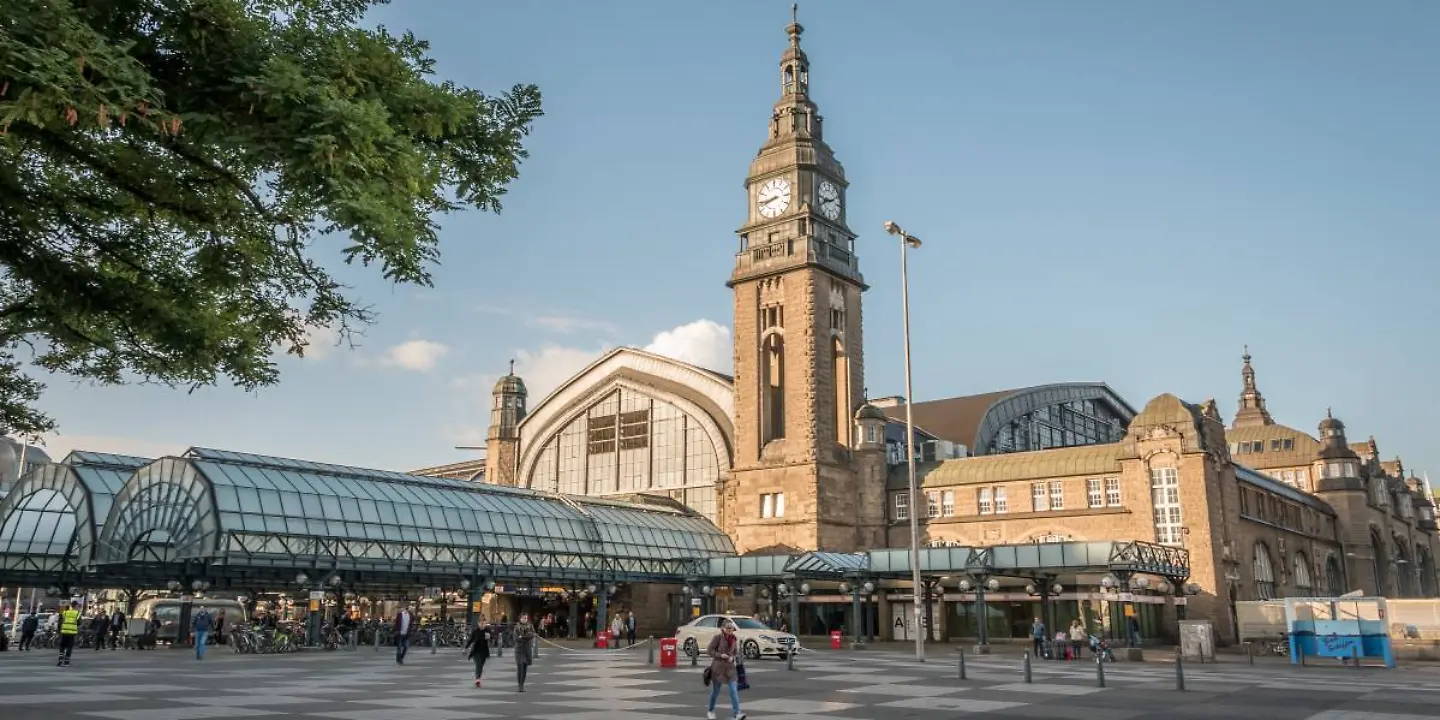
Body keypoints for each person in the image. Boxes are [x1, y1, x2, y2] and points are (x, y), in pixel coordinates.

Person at [706, 619, 746, 720]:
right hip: (718, 668)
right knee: (716, 691)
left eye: (731, 628)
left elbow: (735, 652)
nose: (730, 630)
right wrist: (720, 655)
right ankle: (710, 711)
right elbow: (710, 650)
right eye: (727, 628)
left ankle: (737, 713)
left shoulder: (734, 639)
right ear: (722, 628)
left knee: (733, 690)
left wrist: (732, 657)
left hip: (730, 669)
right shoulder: (717, 638)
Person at [465, 620, 492, 688]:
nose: (482, 625)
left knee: (481, 665)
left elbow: (491, 639)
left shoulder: (487, 631)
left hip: (484, 651)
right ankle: (477, 679)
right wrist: (466, 648)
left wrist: (489, 637)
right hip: (476, 651)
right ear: (478, 623)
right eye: (481, 624)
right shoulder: (475, 631)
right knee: (478, 664)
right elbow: (471, 640)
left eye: (484, 624)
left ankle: (478, 678)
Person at [513, 613, 536, 692]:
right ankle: (520, 685)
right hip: (519, 650)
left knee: (525, 668)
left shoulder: (530, 626)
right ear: (520, 619)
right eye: (523, 618)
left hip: (527, 650)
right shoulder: (516, 627)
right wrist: (526, 637)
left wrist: (522, 637)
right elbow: (516, 638)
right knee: (520, 667)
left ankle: (522, 683)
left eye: (526, 618)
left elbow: (532, 635)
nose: (524, 619)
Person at [56, 601, 80, 667]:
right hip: (72, 632)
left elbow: (61, 620)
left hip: (64, 631)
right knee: (69, 647)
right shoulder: (77, 613)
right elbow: (78, 622)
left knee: (62, 646)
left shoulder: (65, 612)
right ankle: (66, 661)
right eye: (78, 606)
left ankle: (60, 660)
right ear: (75, 606)